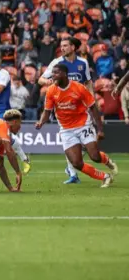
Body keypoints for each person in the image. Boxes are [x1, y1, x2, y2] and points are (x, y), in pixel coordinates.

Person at [36, 64, 116, 188]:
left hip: (83, 124)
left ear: (64, 74)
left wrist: (100, 129)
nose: (53, 76)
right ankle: (105, 177)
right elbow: (47, 111)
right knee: (76, 163)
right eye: (52, 73)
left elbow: (93, 107)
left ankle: (108, 162)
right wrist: (41, 122)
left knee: (94, 156)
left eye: (56, 73)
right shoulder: (51, 90)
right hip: (66, 129)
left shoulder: (79, 88)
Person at [39, 38, 96, 184]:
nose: (62, 48)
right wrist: (50, 82)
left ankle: (73, 168)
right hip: (64, 108)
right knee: (69, 140)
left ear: (73, 47)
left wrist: (92, 99)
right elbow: (40, 80)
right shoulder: (56, 63)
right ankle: (72, 173)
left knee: (86, 145)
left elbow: (88, 82)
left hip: (81, 107)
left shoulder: (83, 63)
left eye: (65, 46)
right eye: (61, 46)